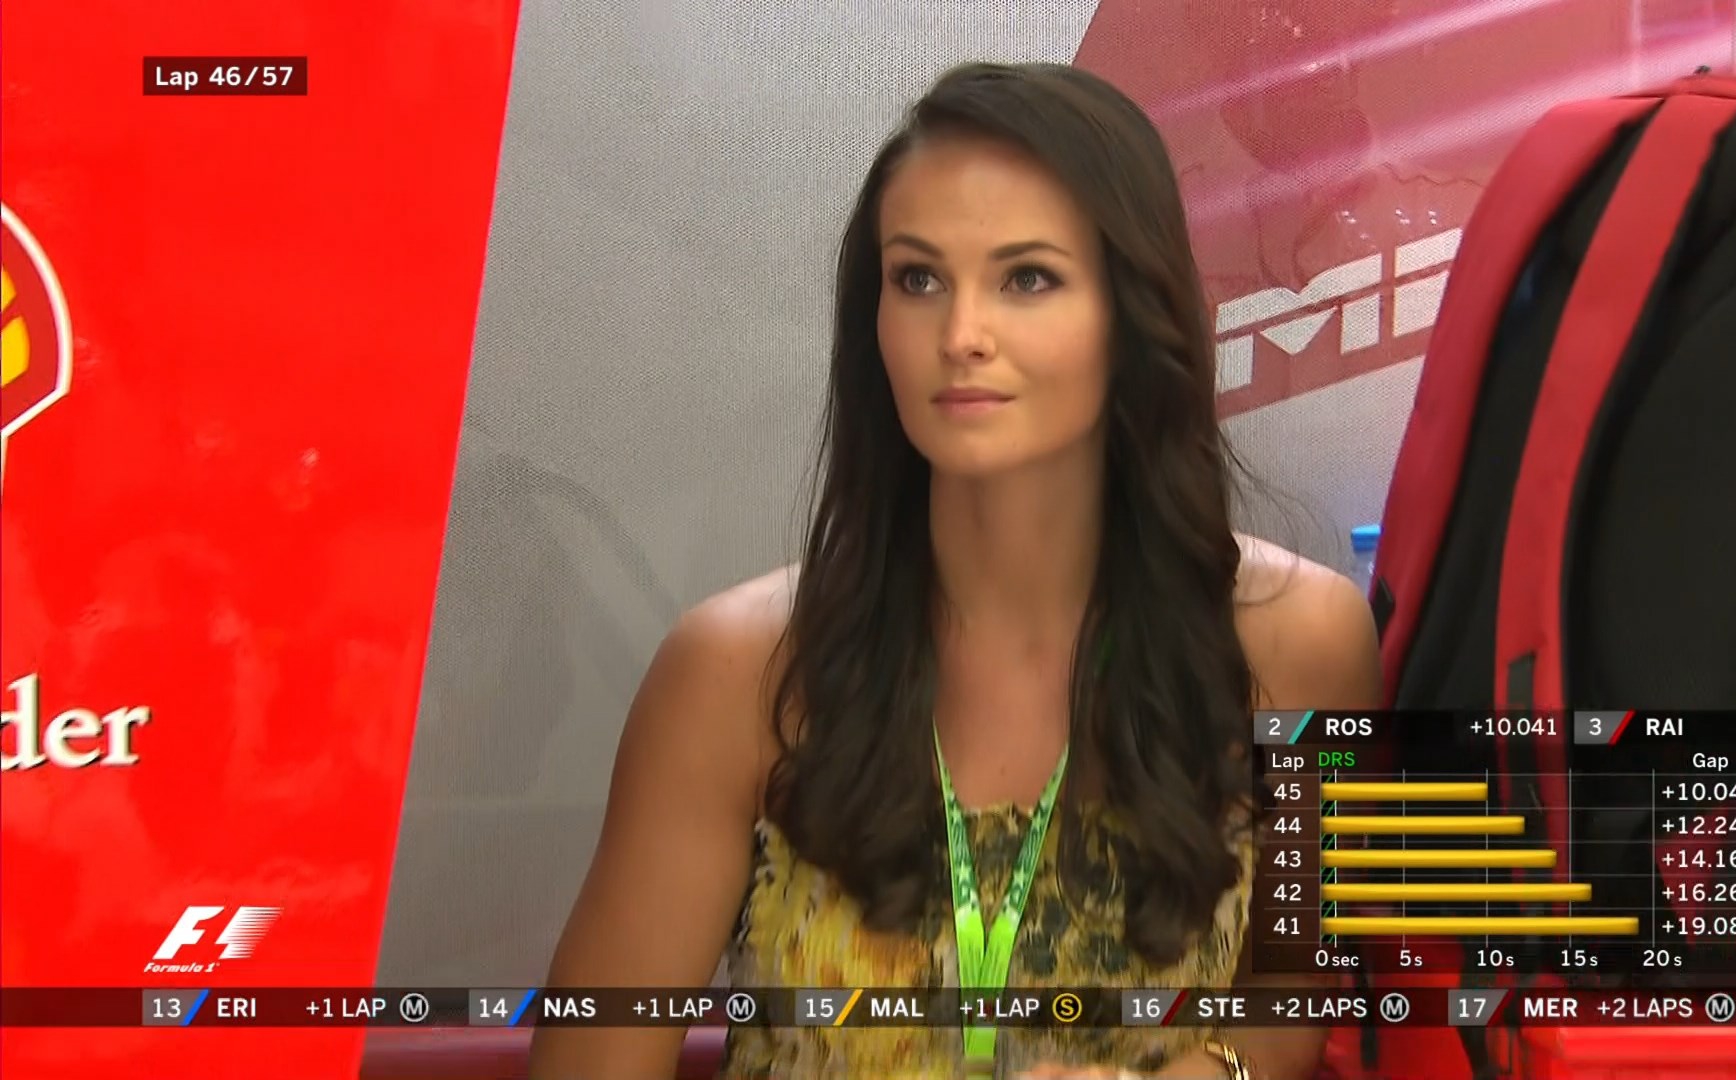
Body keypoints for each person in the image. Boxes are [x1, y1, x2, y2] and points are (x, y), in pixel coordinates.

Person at [530, 61, 1382, 1080]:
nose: (961, 336)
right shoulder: (733, 673)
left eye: (1027, 278)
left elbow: (1294, 999)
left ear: (1133, 312)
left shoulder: (1302, 643)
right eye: (918, 279)